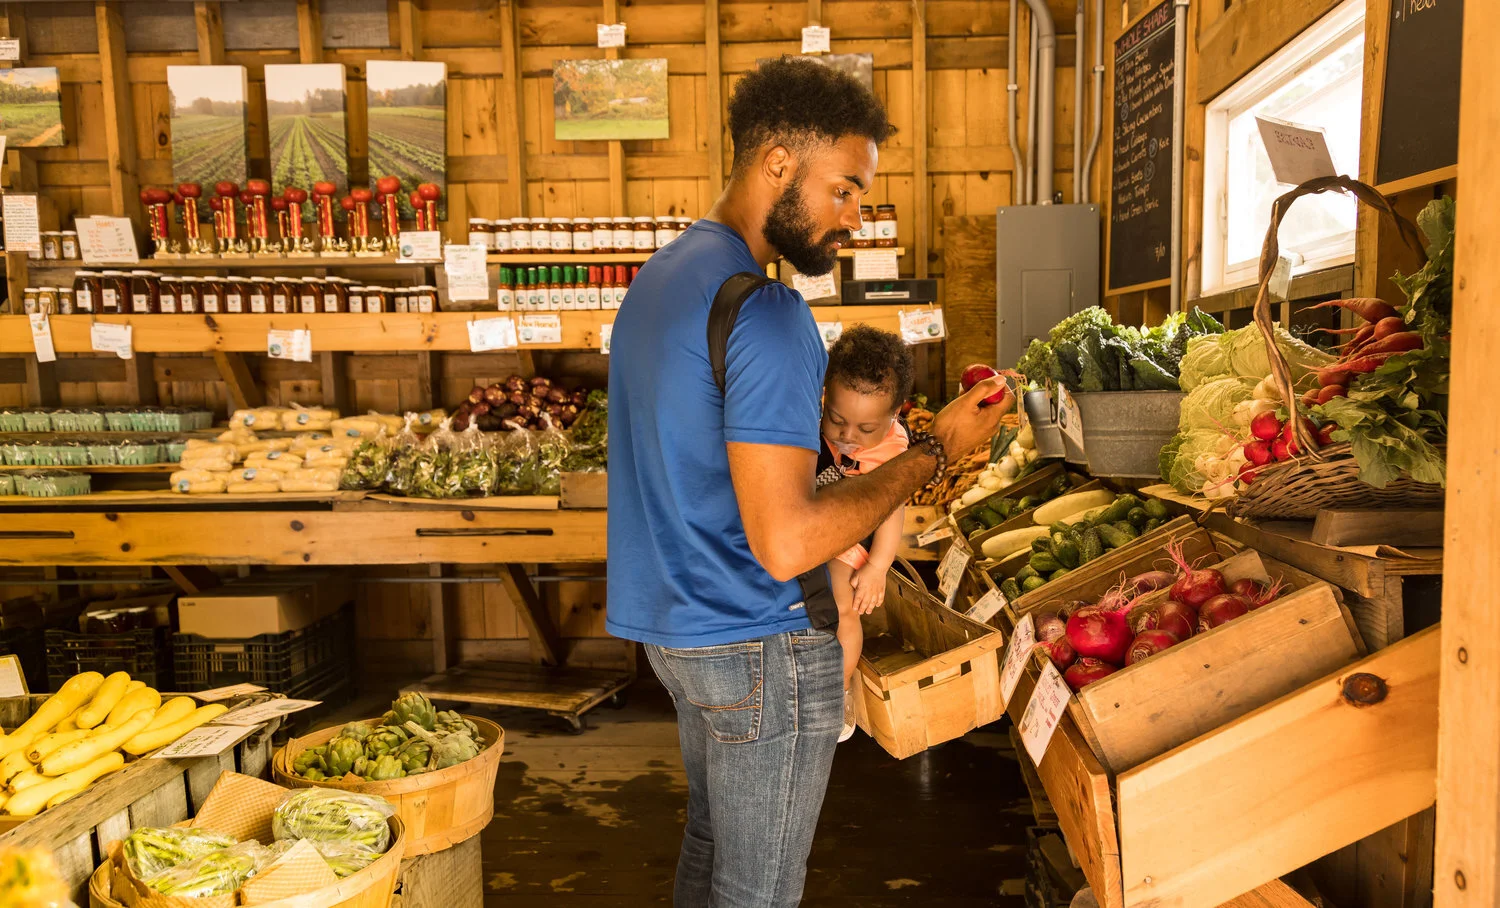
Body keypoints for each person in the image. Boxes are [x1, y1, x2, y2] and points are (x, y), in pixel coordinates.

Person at [607, 57, 1012, 907]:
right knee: (759, 894)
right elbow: (787, 538)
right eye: (846, 190)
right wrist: (932, 451)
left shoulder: (658, 281)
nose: (855, 218)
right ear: (779, 165)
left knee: (711, 852)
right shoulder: (769, 312)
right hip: (758, 638)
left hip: (676, 633)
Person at [816, 326, 914, 742]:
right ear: (824, 396)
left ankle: (838, 697)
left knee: (842, 606)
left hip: (854, 537)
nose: (848, 436)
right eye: (837, 419)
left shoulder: (892, 449)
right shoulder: (812, 418)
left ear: (894, 416)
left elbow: (892, 510)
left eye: (865, 429)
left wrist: (878, 566)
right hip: (816, 521)